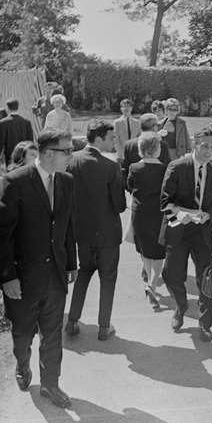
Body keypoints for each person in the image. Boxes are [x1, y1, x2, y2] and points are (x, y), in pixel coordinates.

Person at [0, 128, 78, 409]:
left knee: (52, 333)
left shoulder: (66, 180)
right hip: (23, 278)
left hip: (54, 275)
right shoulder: (15, 182)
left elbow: (66, 225)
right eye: (67, 151)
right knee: (23, 333)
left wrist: (70, 263)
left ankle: (51, 384)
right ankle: (22, 363)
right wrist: (8, 277)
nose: (70, 156)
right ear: (48, 153)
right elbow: (0, 234)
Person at [64, 119, 127, 340]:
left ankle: (72, 321)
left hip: (82, 232)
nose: (113, 142)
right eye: (110, 138)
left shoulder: (71, 161)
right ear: (98, 139)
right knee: (108, 278)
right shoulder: (111, 166)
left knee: (84, 272)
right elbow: (120, 205)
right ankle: (103, 327)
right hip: (107, 233)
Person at [160, 127, 212, 340]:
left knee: (206, 279)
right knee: (171, 276)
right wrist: (178, 213)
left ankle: (205, 324)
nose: (209, 151)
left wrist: (209, 214)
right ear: (195, 144)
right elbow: (165, 202)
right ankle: (181, 307)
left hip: (203, 232)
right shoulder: (176, 167)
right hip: (179, 230)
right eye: (205, 146)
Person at [126, 131, 168, 306]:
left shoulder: (134, 168)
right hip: (159, 214)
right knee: (159, 251)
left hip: (140, 214)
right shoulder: (165, 169)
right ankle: (152, 284)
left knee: (144, 249)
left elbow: (130, 185)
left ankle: (150, 280)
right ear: (157, 149)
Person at [121, 112, 171, 182]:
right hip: (157, 189)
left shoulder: (128, 145)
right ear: (153, 127)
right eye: (157, 125)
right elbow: (168, 171)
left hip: (136, 190)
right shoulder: (162, 145)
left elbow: (124, 171)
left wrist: (131, 189)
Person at [0, 98, 34, 172]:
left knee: (12, 177)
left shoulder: (3, 123)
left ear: (7, 108)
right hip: (24, 155)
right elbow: (30, 141)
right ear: (18, 107)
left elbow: (1, 142)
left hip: (10, 156)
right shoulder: (27, 122)